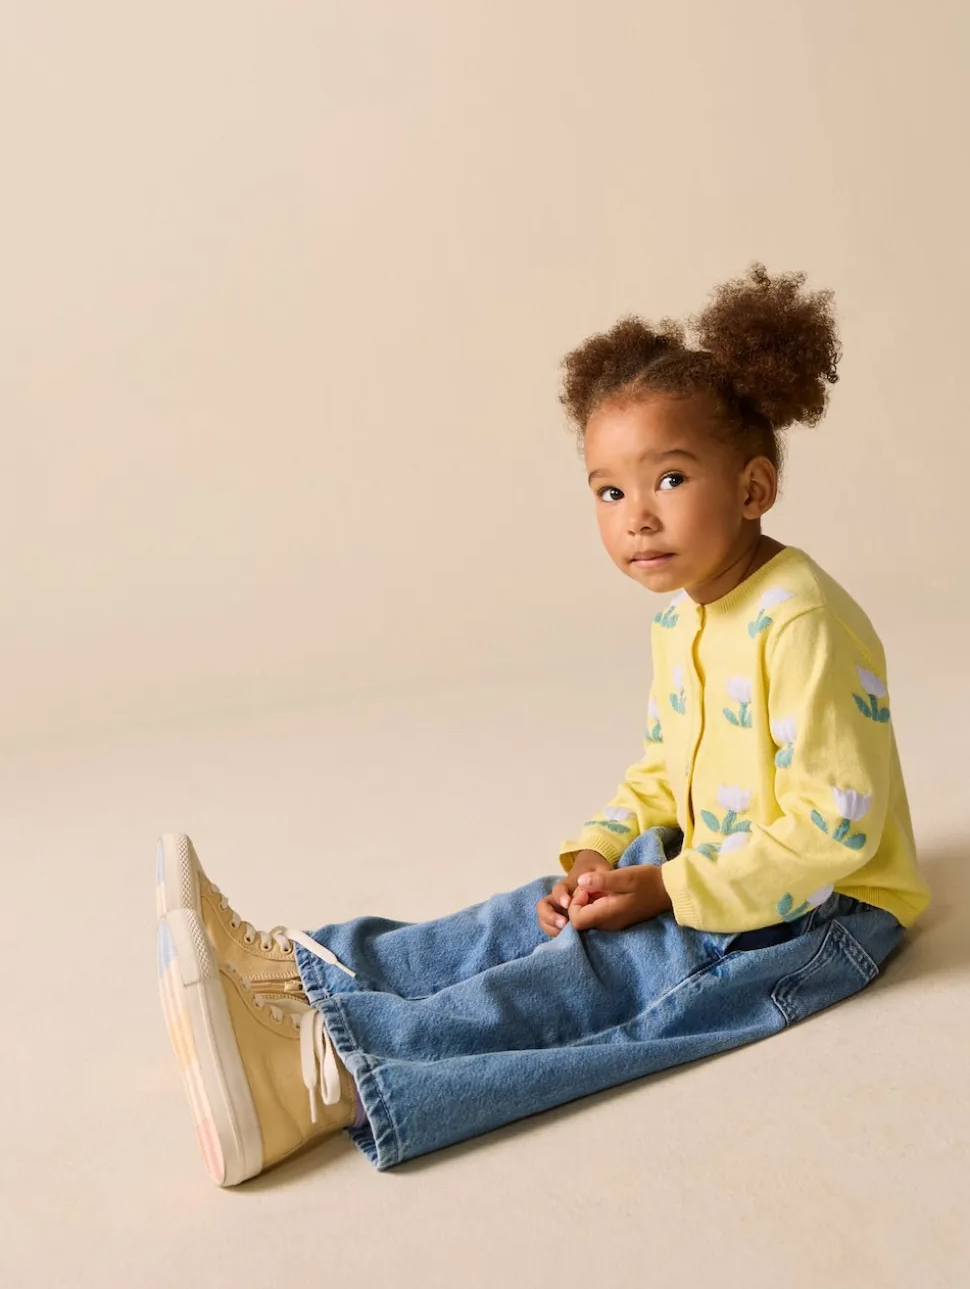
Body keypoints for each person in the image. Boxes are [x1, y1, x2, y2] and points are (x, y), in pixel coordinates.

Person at [155, 264, 931, 1186]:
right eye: (610, 493)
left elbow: (833, 829)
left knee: (606, 979)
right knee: (528, 913)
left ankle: (325, 1080)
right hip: (719, 858)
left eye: (670, 478)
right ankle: (307, 977)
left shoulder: (801, 618)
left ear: (754, 487)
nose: (637, 518)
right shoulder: (683, 616)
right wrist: (599, 853)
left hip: (826, 911)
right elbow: (665, 769)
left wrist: (669, 890)